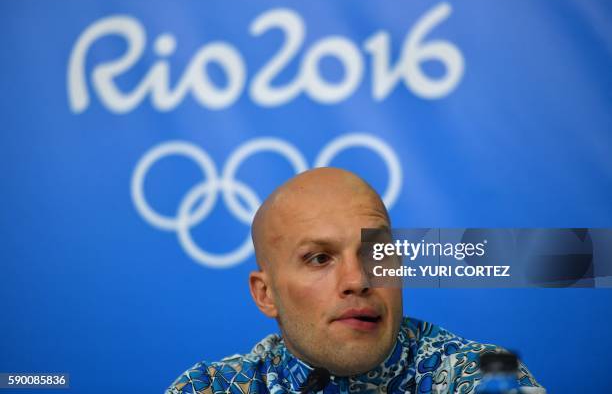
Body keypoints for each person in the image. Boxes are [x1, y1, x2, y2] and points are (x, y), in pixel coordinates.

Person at [166, 168, 544, 393]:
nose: (358, 280)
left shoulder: (478, 374)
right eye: (319, 258)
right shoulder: (211, 387)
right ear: (266, 295)